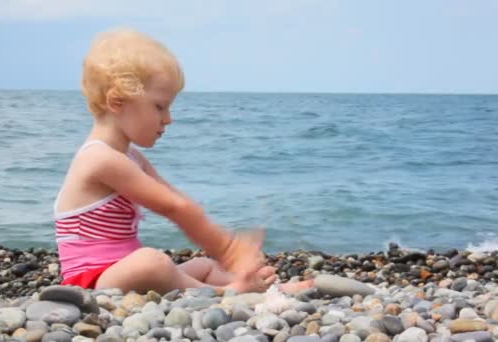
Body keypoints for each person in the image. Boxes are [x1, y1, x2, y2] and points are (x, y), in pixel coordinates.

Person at [53, 28, 314, 295]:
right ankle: (230, 292)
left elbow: (174, 197)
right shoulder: (99, 158)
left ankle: (271, 290)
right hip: (92, 282)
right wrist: (228, 249)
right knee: (152, 262)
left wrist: (224, 251)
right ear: (117, 101)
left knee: (202, 265)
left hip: (122, 271)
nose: (168, 119)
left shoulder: (131, 157)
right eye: (159, 106)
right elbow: (175, 207)